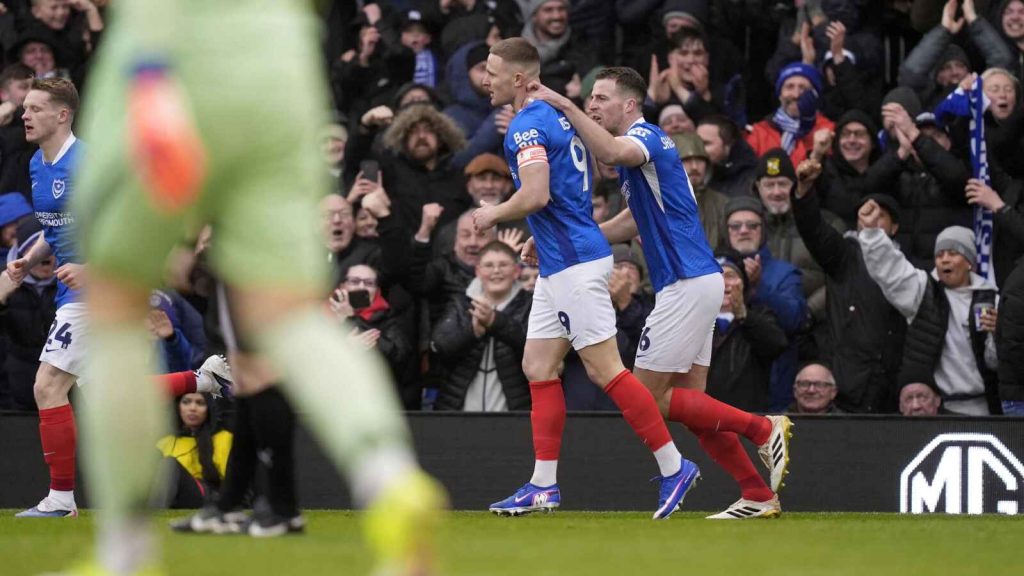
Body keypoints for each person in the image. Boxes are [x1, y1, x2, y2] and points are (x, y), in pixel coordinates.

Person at [67, 2, 446, 575]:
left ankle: (123, 552)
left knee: (116, 308)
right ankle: (390, 479)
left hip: (167, 57)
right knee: (290, 318)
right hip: (280, 62)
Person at [529, 66, 793, 520]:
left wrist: (565, 105)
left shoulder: (646, 137)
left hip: (685, 284)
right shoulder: (641, 164)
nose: (593, 105)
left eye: (601, 98)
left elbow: (609, 148)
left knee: (648, 398)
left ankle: (762, 426)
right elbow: (632, 221)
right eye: (588, 99)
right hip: (696, 282)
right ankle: (757, 493)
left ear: (630, 104)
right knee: (694, 409)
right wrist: (578, 237)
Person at [474, 40, 698, 519]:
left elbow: (534, 194)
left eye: (492, 72)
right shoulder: (556, 120)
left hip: (575, 265)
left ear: (518, 79)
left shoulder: (526, 124)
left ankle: (674, 466)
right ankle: (542, 485)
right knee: (538, 365)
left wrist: (492, 214)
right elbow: (561, 193)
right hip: (562, 262)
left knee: (605, 371)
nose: (484, 80)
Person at [7, 78, 86, 518]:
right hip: (68, 289)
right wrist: (28, 256)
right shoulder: (38, 163)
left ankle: (60, 499)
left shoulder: (88, 164)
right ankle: (205, 379)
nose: (25, 115)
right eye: (24, 108)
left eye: (35, 108)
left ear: (62, 114)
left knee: (47, 385)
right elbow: (58, 226)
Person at [859, 208, 1001, 415]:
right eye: (939, 254)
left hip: (984, 407)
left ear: (969, 261)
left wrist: (998, 334)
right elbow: (890, 270)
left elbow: (997, 363)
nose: (944, 259)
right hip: (935, 409)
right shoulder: (923, 291)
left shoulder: (990, 299)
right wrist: (872, 233)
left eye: (953, 253)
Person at [792, 160, 908, 413]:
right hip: (849, 384)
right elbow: (813, 229)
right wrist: (803, 191)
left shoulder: (909, 269)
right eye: (867, 215)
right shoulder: (845, 255)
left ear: (895, 227)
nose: (872, 221)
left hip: (891, 385)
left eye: (881, 217)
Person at [430, 241, 532, 411]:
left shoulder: (531, 304)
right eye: (489, 265)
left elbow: (538, 349)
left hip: (515, 412)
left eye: (503, 265)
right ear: (478, 271)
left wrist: (495, 322)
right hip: (461, 412)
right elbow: (439, 347)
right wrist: (472, 332)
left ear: (516, 271)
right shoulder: (461, 303)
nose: (496, 271)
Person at [155, 392, 231, 509]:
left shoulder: (223, 437)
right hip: (172, 496)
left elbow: (231, 483)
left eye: (200, 403)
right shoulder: (165, 442)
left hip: (207, 495)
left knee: (170, 464)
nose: (192, 408)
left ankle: (156, 510)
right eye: (186, 402)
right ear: (178, 406)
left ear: (209, 409)